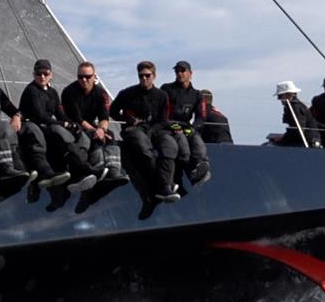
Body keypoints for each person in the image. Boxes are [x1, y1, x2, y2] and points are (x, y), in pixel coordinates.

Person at [19, 59, 101, 193]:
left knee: (77, 134)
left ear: (51, 74)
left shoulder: (52, 92)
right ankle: (82, 170)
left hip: (47, 125)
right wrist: (64, 124)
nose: (42, 76)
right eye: (39, 73)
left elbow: (60, 113)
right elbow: (41, 116)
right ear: (34, 75)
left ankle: (78, 171)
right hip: (34, 128)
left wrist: (72, 125)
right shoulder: (31, 91)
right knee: (60, 133)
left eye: (45, 73)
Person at [109, 61, 181, 202]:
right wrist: (127, 118)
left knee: (170, 146)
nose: (144, 79)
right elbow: (112, 111)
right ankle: (163, 185)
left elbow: (164, 121)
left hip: (155, 130)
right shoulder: (127, 93)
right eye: (141, 76)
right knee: (144, 148)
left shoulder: (162, 95)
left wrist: (152, 130)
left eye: (147, 75)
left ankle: (165, 185)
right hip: (133, 130)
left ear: (154, 76)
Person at [61, 61, 129, 188]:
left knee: (110, 134)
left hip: (91, 124)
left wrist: (102, 129)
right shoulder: (69, 92)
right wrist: (96, 131)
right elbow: (77, 118)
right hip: (72, 125)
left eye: (88, 76)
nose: (84, 80)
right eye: (80, 77)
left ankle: (113, 170)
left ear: (94, 76)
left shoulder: (100, 93)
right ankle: (97, 168)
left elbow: (104, 117)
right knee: (92, 135)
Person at [160, 61, 212, 187]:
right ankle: (188, 176)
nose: (179, 73)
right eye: (177, 71)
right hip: (168, 126)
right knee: (183, 144)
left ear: (190, 73)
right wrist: (172, 126)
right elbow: (160, 112)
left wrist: (192, 129)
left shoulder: (197, 95)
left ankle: (201, 167)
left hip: (186, 127)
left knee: (195, 139)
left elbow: (201, 117)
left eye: (182, 71)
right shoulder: (166, 89)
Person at [273, 81, 320, 148]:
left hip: (307, 142)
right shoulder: (291, 107)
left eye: (280, 96)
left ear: (288, 95)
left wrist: (283, 138)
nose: (279, 99)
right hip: (300, 140)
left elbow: (299, 131)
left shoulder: (296, 107)